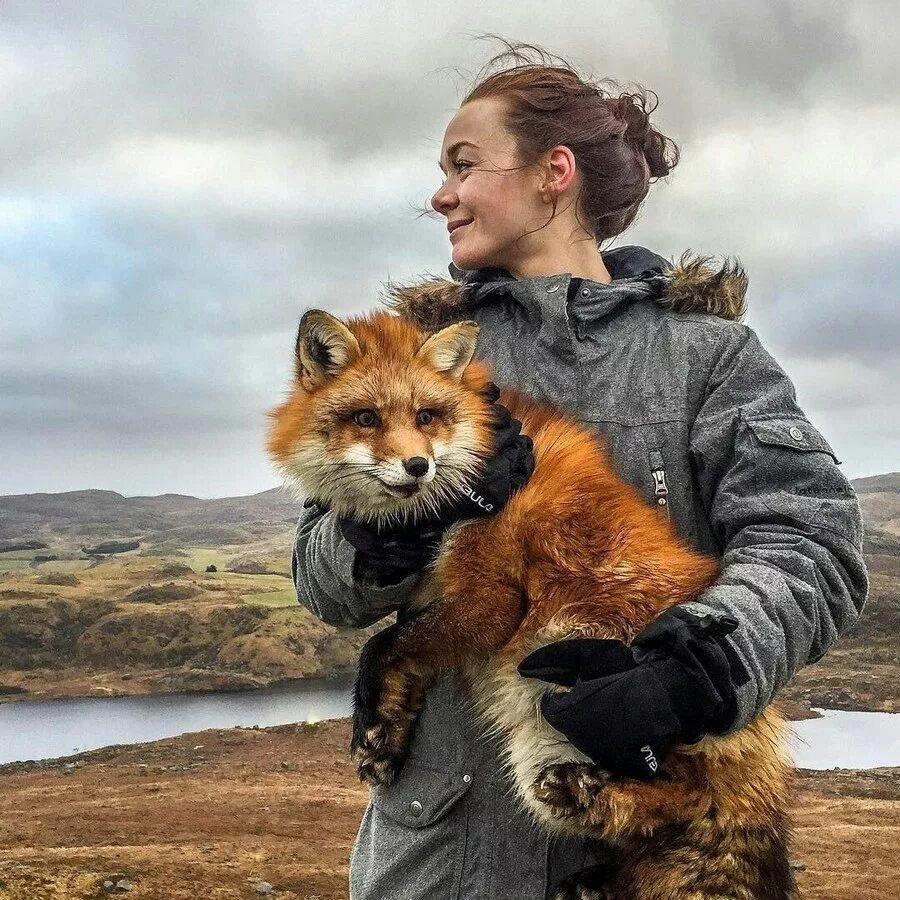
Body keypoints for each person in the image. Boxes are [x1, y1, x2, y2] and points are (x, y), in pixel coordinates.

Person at [291, 43, 867, 900]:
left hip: (646, 842)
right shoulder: (412, 367)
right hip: (441, 861)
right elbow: (322, 584)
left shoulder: (704, 357)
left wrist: (699, 670)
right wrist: (385, 535)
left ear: (552, 173)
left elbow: (811, 542)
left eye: (462, 165)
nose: (439, 194)